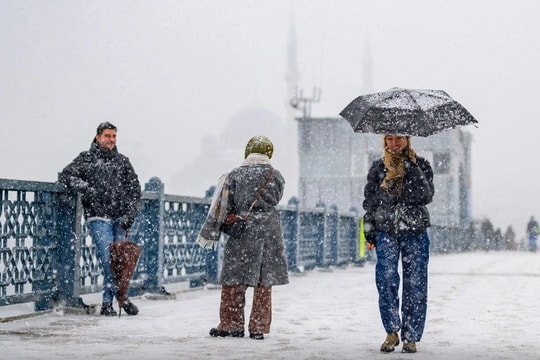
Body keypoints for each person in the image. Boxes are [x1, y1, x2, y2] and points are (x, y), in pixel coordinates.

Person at [197, 135, 289, 340]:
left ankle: (231, 324)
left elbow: (223, 204)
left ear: (248, 152)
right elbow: (278, 197)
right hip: (269, 231)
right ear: (269, 152)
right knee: (263, 281)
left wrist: (213, 229)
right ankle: (258, 328)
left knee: (234, 278)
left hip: (244, 228)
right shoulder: (276, 175)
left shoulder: (235, 175)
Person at [58, 122, 142, 316]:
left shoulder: (122, 161)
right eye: (107, 136)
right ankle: (119, 299)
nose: (111, 140)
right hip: (98, 217)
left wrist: (130, 214)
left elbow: (135, 190)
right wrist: (86, 188)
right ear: (98, 137)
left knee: (120, 262)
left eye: (114, 136)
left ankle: (111, 302)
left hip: (120, 218)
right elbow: (66, 176)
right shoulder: (86, 159)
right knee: (109, 260)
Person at [362, 134, 434, 354]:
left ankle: (411, 336)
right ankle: (391, 331)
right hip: (386, 231)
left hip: (414, 230)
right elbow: (370, 203)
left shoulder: (421, 164)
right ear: (385, 141)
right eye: (390, 138)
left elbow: (426, 195)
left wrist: (411, 169)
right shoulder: (378, 167)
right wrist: (369, 232)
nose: (396, 143)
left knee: (416, 283)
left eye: (400, 138)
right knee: (386, 279)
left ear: (408, 140)